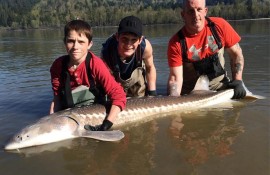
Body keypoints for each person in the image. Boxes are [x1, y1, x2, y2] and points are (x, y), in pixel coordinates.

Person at [49, 19, 126, 131]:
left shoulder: (95, 64)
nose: (75, 46)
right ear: (65, 42)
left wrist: (107, 124)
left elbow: (119, 95)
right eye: (71, 41)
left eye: (81, 42)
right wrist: (51, 119)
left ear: (89, 44)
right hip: (73, 113)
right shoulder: (58, 66)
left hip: (98, 110)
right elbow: (57, 98)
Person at [167, 0, 246, 99]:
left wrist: (238, 81)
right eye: (191, 11)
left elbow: (236, 54)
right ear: (183, 15)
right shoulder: (176, 42)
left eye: (199, 9)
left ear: (205, 11)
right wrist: (174, 98)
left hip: (220, 86)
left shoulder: (219, 26)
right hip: (189, 94)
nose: (196, 15)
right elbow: (175, 78)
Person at [101, 15, 157, 97]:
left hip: (137, 84)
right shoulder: (107, 51)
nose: (129, 44)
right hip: (114, 84)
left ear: (140, 40)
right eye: (124, 39)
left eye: (134, 40)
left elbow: (150, 68)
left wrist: (152, 94)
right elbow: (105, 81)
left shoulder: (145, 47)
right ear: (117, 37)